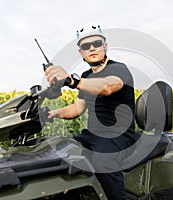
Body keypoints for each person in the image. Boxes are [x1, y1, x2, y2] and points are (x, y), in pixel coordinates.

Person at [45, 24, 138, 200]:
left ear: (105, 46)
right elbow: (77, 108)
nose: (92, 48)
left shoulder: (118, 69)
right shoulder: (86, 75)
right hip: (93, 135)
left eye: (96, 43)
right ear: (81, 52)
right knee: (59, 149)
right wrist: (52, 113)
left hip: (119, 136)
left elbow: (107, 87)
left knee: (102, 160)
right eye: (86, 46)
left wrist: (72, 81)